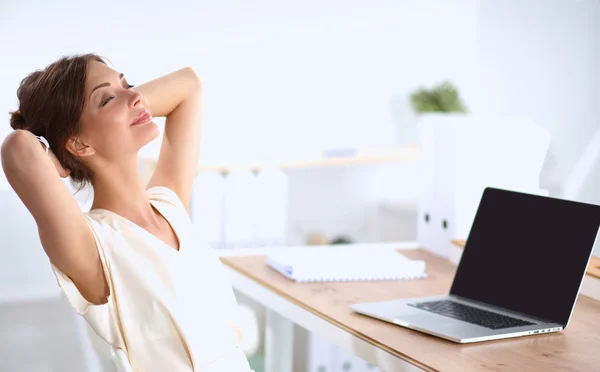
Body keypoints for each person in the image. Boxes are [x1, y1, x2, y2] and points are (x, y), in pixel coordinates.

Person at [1, 54, 253, 371]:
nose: (136, 97)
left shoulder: (169, 205)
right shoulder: (94, 246)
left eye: (127, 85)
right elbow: (18, 148)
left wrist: (119, 108)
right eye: (107, 99)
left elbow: (188, 84)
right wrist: (60, 158)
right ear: (78, 144)